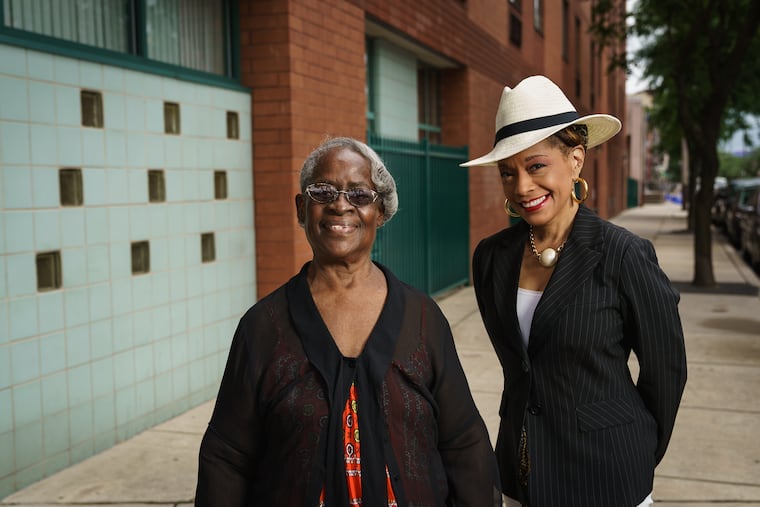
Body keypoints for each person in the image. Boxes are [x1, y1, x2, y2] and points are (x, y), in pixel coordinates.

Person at [195, 137, 501, 506]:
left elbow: (463, 441)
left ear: (381, 211)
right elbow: (227, 457)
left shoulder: (423, 319)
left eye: (359, 194)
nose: (340, 205)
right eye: (323, 191)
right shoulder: (263, 327)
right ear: (301, 208)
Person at [460, 76, 687, 507]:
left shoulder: (624, 255)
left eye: (536, 166)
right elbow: (520, 368)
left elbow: (666, 372)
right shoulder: (491, 258)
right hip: (519, 472)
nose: (522, 186)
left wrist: (635, 450)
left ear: (576, 160)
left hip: (607, 476)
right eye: (508, 173)